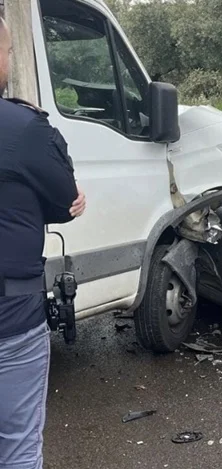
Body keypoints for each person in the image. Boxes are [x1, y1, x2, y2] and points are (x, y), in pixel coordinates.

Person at [0, 16, 86, 469]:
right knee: (16, 446)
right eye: (9, 51)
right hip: (10, 319)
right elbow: (65, 201)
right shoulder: (23, 128)